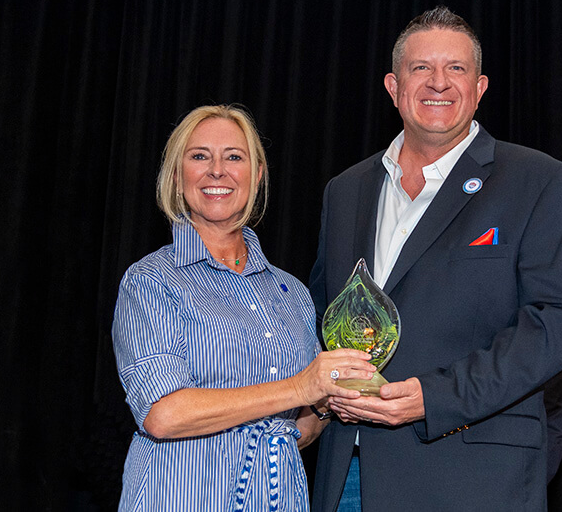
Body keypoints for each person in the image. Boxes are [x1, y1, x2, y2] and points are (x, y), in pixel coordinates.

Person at [309, 7, 562, 511]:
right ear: (394, 87)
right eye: (421, 68)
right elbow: (319, 315)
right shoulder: (345, 190)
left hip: (472, 478)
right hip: (349, 475)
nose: (438, 83)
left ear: (480, 86)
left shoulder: (541, 181)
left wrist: (435, 399)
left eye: (456, 69)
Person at [111, 104, 376, 511]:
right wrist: (301, 387)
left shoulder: (291, 292)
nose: (218, 170)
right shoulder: (151, 282)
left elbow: (294, 430)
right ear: (178, 176)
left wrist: (328, 405)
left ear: (258, 174)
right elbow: (164, 415)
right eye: (199, 156)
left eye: (234, 157)